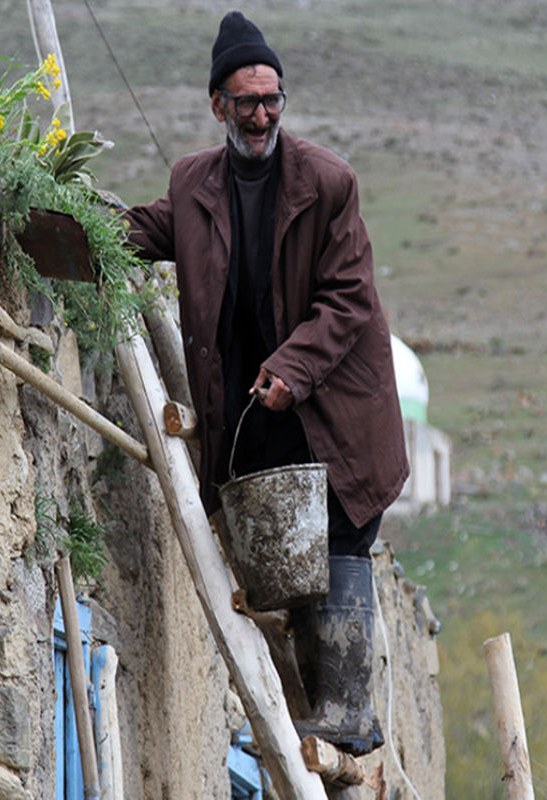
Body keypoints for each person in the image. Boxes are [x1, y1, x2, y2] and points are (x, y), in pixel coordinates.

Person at [122, 10, 408, 755]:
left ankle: (347, 709)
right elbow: (153, 230)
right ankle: (329, 710)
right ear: (218, 104)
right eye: (246, 101)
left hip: (335, 406)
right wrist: (78, 220)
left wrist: (293, 366)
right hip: (256, 410)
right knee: (291, 555)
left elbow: (349, 300)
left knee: (339, 530)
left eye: (272, 99)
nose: (261, 115)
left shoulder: (328, 183)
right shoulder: (194, 181)